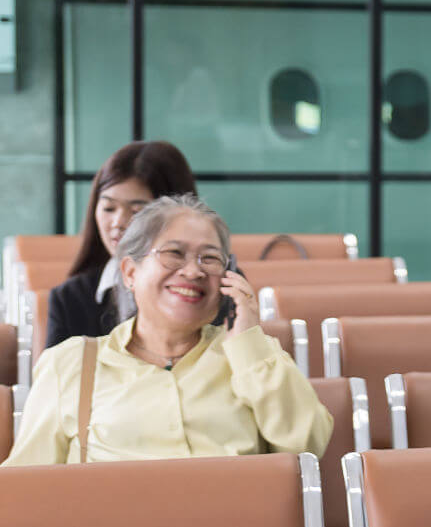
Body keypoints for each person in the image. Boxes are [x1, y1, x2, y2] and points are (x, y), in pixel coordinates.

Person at [4, 194, 332, 466]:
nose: (193, 271)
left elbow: (308, 446)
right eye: (174, 254)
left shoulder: (253, 357)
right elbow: (27, 489)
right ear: (130, 272)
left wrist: (248, 343)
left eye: (210, 258)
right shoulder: (70, 363)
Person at [46, 141, 200, 347]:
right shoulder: (69, 298)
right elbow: (55, 378)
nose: (118, 223)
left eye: (137, 211)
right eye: (109, 208)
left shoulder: (212, 286)